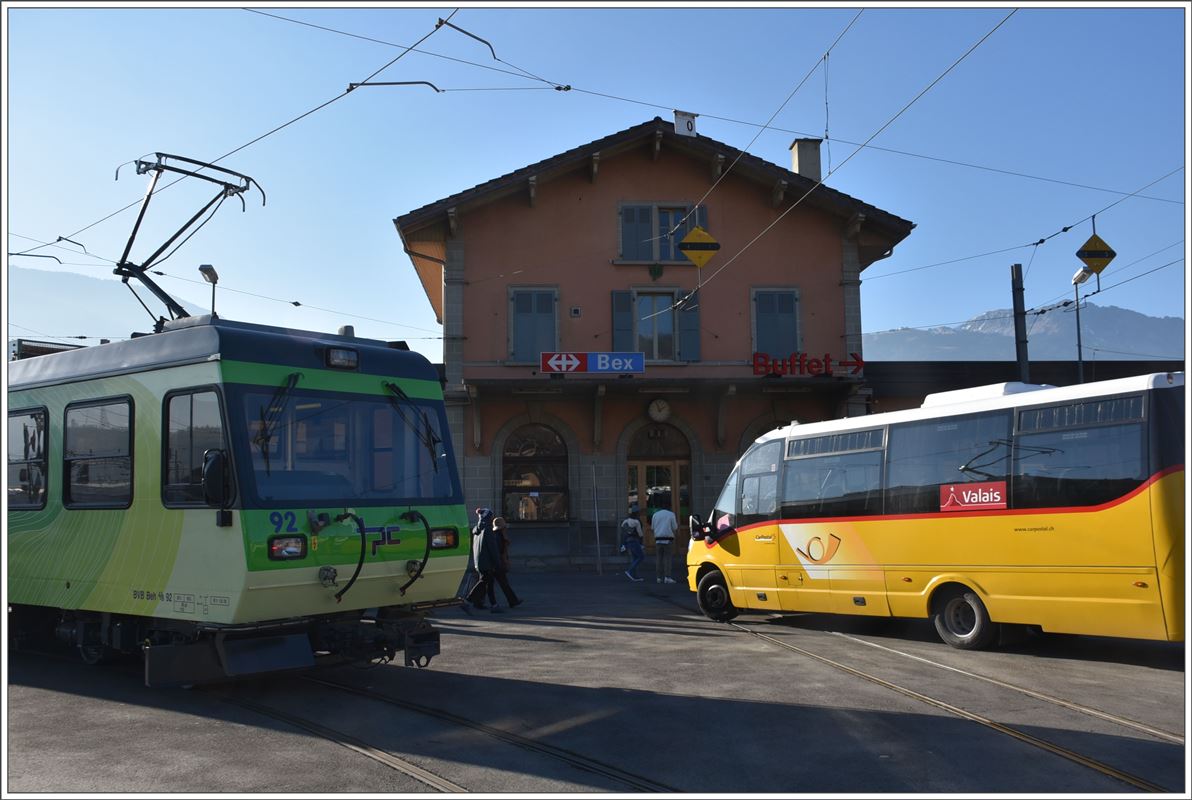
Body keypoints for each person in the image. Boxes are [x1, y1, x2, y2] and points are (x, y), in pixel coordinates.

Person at [463, 508, 501, 612]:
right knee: (484, 582)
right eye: (491, 516)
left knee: (489, 583)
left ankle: (493, 605)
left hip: (479, 562)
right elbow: (493, 548)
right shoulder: (488, 529)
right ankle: (467, 600)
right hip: (487, 562)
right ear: (488, 517)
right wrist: (497, 563)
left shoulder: (476, 529)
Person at [486, 517, 523, 610]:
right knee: (500, 583)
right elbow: (500, 551)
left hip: (495, 563)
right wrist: (504, 561)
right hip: (497, 564)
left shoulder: (497, 535)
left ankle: (512, 600)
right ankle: (512, 601)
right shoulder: (498, 537)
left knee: (497, 583)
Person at [650, 499, 678, 584]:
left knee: (659, 558)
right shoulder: (671, 514)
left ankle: (658, 577)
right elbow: (675, 527)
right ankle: (667, 577)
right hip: (668, 539)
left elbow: (652, 528)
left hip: (658, 539)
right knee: (667, 558)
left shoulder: (655, 515)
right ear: (669, 506)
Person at [619, 510, 645, 582]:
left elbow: (622, 533)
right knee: (641, 557)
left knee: (635, 558)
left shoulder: (625, 521)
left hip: (628, 541)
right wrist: (641, 543)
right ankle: (630, 571)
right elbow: (640, 533)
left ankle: (634, 576)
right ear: (637, 515)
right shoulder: (636, 522)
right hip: (634, 540)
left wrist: (623, 544)